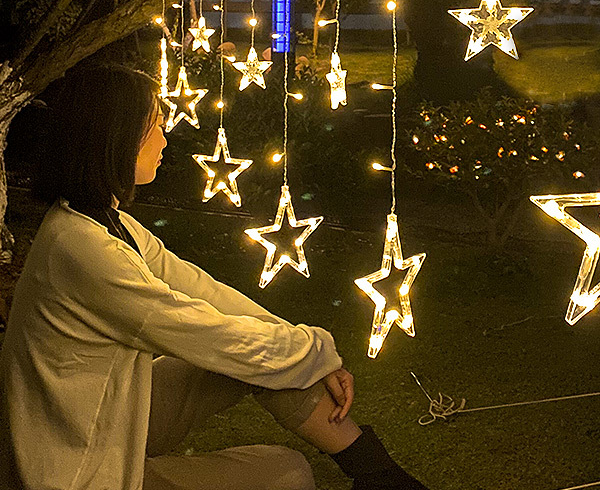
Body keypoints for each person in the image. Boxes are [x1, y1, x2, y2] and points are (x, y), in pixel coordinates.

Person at [0, 64, 431, 490]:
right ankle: (379, 475)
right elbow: (206, 333)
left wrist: (308, 351)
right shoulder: (83, 249)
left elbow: (201, 289)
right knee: (286, 472)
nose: (165, 140)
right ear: (116, 137)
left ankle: (377, 474)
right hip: (74, 468)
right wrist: (316, 349)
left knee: (260, 358)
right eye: (154, 126)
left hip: (107, 412)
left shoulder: (101, 222)